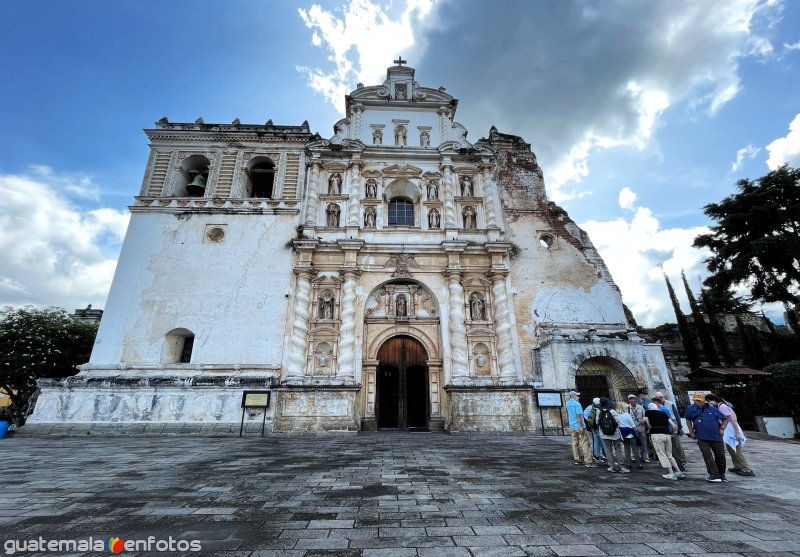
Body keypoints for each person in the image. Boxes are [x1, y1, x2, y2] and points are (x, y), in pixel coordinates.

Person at [705, 394, 755, 477]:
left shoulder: (722, 407)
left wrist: (737, 433)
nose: (709, 403)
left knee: (736, 450)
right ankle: (738, 466)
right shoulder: (719, 407)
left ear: (714, 399)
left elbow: (733, 420)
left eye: (709, 401)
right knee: (732, 450)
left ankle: (746, 469)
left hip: (732, 431)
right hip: (729, 432)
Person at [685, 392, 730, 482]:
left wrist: (722, 429)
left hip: (716, 436)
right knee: (707, 455)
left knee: (720, 455)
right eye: (696, 400)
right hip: (701, 436)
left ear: (704, 400)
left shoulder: (712, 408)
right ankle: (714, 474)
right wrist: (691, 432)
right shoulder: (691, 408)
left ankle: (721, 474)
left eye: (700, 400)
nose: (698, 402)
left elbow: (725, 419)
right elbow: (688, 420)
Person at [644, 402, 684, 480]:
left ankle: (671, 473)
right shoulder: (663, 413)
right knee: (669, 454)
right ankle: (679, 472)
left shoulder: (648, 412)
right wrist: (674, 430)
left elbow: (649, 425)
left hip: (657, 434)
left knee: (661, 453)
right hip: (667, 434)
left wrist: (649, 426)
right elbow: (673, 425)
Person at [652, 392, 685, 472]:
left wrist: (679, 427)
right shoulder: (657, 408)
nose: (660, 398)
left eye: (661, 397)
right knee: (670, 450)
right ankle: (675, 466)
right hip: (666, 430)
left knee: (675, 448)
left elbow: (675, 416)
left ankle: (680, 465)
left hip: (670, 429)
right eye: (658, 397)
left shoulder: (668, 405)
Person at [597, 398, 629, 473]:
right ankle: (622, 467)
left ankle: (612, 467)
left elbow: (597, 421)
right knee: (618, 449)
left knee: (608, 450)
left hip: (604, 434)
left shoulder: (599, 411)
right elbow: (618, 421)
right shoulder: (612, 411)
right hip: (614, 434)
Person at [566, 391, 596, 467]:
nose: (579, 397)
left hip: (572, 426)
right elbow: (578, 416)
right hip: (579, 426)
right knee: (585, 443)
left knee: (575, 443)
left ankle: (577, 459)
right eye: (577, 396)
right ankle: (588, 461)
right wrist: (581, 426)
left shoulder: (568, 403)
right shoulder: (577, 404)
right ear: (573, 396)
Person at [616, 402, 642, 470]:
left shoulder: (616, 415)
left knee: (626, 449)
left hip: (622, 433)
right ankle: (639, 464)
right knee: (635, 449)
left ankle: (628, 463)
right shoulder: (627, 415)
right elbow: (633, 425)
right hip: (630, 433)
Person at [627, 394, 648, 465]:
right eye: (631, 399)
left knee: (643, 442)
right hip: (633, 427)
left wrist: (644, 420)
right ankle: (634, 456)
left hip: (641, 427)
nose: (633, 400)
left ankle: (644, 456)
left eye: (634, 399)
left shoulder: (640, 407)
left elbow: (645, 416)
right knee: (634, 442)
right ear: (629, 400)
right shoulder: (627, 408)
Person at [584, 397, 604, 463]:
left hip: (593, 426)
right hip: (597, 426)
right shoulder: (598, 408)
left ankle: (596, 456)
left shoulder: (590, 407)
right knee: (602, 441)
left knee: (596, 441)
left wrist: (590, 421)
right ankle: (604, 455)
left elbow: (585, 414)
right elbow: (585, 414)